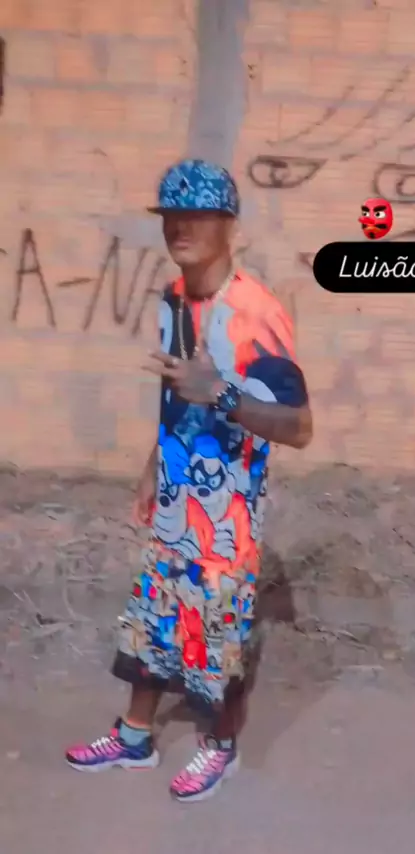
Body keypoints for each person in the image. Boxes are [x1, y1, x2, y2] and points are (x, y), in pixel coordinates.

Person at [65, 158, 313, 802]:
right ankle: (135, 735)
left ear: (228, 224)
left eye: (198, 215)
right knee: (153, 616)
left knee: (217, 634)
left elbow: (299, 426)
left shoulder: (256, 312)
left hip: (227, 518)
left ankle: (220, 748)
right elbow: (179, 399)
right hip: (177, 501)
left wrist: (222, 393)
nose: (181, 227)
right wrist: (155, 465)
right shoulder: (172, 300)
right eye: (172, 215)